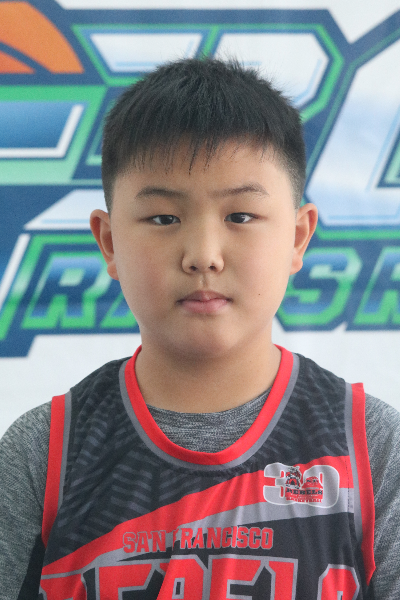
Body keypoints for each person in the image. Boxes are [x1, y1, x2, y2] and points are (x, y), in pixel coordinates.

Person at [0, 57, 399, 600]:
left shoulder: (372, 449)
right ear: (109, 242)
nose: (203, 255)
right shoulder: (44, 455)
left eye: (240, 216)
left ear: (298, 237)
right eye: (164, 218)